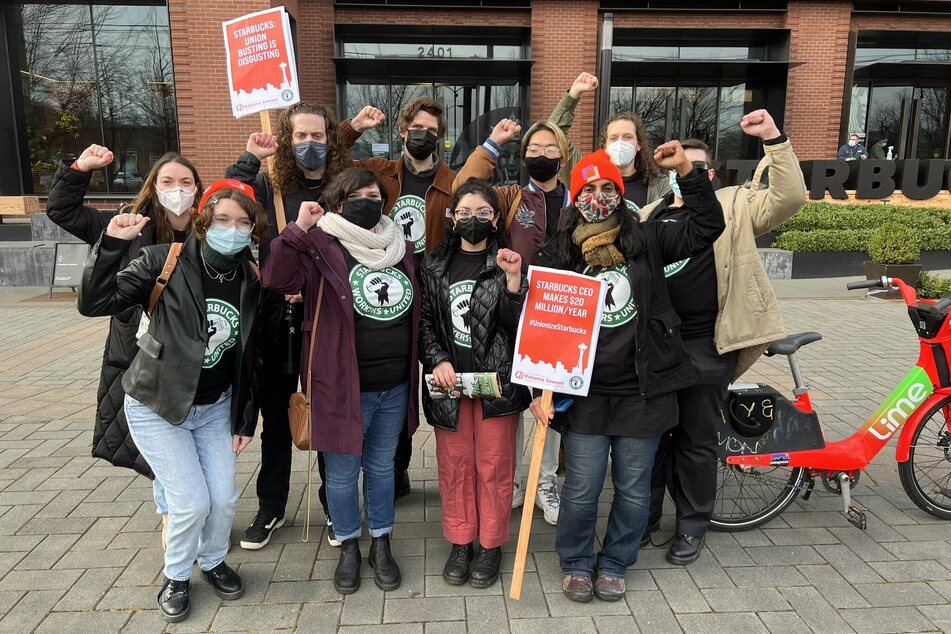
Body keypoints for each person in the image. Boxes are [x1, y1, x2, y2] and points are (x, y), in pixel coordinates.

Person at [530, 145, 724, 603]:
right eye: (588, 189)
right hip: (587, 394)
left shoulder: (650, 239)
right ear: (575, 197)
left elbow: (707, 227)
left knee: (634, 488)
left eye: (607, 188)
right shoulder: (559, 253)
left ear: (619, 193)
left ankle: (615, 562)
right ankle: (577, 561)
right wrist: (539, 387)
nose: (598, 196)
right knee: (580, 488)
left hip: (644, 389)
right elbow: (543, 327)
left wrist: (685, 171)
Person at [77, 179, 267, 623]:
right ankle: (177, 575)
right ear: (203, 221)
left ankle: (214, 560)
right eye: (222, 220)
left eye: (243, 223)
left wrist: (245, 419)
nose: (233, 230)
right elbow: (94, 302)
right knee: (191, 502)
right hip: (157, 405)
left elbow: (250, 356)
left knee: (222, 499)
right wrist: (110, 245)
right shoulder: (163, 261)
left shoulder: (250, 277)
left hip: (215, 406)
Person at [641, 112, 807, 564]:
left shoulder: (734, 204)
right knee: (653, 438)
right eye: (674, 167)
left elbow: (790, 197)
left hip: (706, 344)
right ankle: (646, 518)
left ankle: (692, 526)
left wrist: (774, 138)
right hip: (658, 346)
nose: (682, 173)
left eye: (691, 166)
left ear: (707, 174)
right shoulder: (649, 214)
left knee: (695, 440)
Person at [262, 167, 420, 596]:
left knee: (383, 467)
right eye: (357, 195)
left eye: (374, 195)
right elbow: (275, 278)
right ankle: (349, 544)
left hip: (395, 383)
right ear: (338, 202)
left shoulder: (400, 245)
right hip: (339, 383)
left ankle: (381, 541)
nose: (367, 201)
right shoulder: (318, 245)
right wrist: (298, 228)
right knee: (343, 472)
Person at [46, 145, 204, 549]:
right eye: (168, 181)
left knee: (198, 439)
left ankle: (193, 510)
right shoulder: (130, 224)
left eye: (186, 182)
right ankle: (173, 516)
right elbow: (63, 212)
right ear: (154, 186)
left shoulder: (209, 230)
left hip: (198, 357)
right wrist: (80, 168)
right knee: (160, 449)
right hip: (142, 354)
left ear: (198, 188)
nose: (177, 189)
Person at [225, 102, 351, 550]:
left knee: (328, 416)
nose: (309, 144)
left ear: (330, 140)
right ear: (287, 138)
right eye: (300, 136)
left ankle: (336, 506)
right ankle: (272, 506)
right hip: (277, 320)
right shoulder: (268, 185)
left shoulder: (342, 187)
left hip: (327, 320)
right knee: (277, 419)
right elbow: (225, 203)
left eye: (317, 136)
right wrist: (250, 159)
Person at [452, 116, 574, 525]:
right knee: (514, 399)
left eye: (550, 149)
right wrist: (491, 144)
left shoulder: (578, 199)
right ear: (523, 158)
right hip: (514, 309)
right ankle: (518, 481)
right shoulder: (510, 197)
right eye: (534, 150)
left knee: (550, 400)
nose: (542, 156)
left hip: (560, 315)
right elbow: (463, 188)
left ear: (564, 155)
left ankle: (545, 480)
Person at [340, 97, 458, 499]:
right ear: (402, 131)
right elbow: (335, 167)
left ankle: (401, 463)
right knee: (391, 373)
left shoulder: (451, 180)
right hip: (384, 283)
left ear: (439, 138)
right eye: (416, 128)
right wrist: (353, 128)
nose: (423, 135)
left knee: (416, 376)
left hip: (432, 285)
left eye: (432, 130)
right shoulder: (379, 173)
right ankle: (387, 469)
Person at [418, 179, 530, 589]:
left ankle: (490, 544)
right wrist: (438, 359)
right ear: (452, 218)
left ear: (495, 218)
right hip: (450, 384)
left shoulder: (508, 262)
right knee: (455, 466)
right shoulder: (432, 266)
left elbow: (519, 329)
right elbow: (426, 324)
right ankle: (461, 540)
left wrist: (515, 282)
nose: (472, 220)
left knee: (495, 467)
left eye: (483, 213)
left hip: (496, 385)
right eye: (464, 212)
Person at [548, 72, 670, 207]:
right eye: (613, 138)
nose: (620, 142)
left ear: (638, 144)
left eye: (627, 137)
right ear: (605, 146)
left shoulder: (659, 186)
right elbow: (553, 136)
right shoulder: (585, 173)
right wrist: (573, 95)